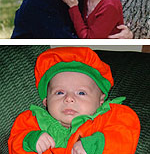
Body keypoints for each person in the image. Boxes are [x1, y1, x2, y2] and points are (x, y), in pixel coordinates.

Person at [8, 47, 140, 154]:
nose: (69, 98)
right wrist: (31, 140)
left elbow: (124, 136)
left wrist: (95, 145)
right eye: (60, 92)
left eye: (81, 93)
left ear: (101, 100)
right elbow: (15, 142)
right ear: (46, 101)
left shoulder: (113, 117)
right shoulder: (32, 121)